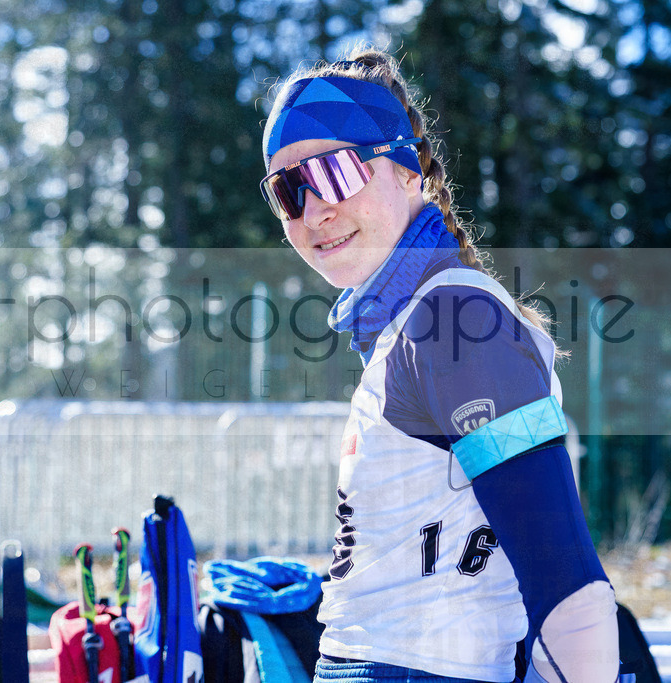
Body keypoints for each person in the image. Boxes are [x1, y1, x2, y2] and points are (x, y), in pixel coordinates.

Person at [259, 49, 621, 683]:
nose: (314, 210)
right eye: (288, 189)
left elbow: (567, 582)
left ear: (408, 172)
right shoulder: (408, 324)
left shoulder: (454, 321)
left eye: (336, 171)